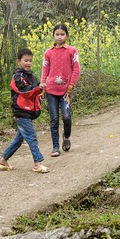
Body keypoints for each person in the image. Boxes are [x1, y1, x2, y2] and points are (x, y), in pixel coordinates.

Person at [0, 47, 50, 173]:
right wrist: (38, 89)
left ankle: (3, 159)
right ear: (19, 61)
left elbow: (34, 90)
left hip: (28, 112)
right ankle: (37, 163)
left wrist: (41, 92)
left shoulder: (31, 76)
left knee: (19, 139)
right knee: (31, 136)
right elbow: (24, 91)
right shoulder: (18, 76)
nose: (28, 63)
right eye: (25, 60)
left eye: (30, 60)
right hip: (21, 111)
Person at [41, 23, 80, 156]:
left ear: (67, 36)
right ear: (53, 36)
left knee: (67, 116)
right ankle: (55, 147)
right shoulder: (48, 52)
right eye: (57, 34)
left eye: (62, 34)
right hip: (51, 90)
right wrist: (42, 86)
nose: (59, 37)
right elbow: (45, 69)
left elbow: (76, 69)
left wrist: (71, 85)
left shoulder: (72, 51)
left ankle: (67, 136)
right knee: (54, 118)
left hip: (66, 91)